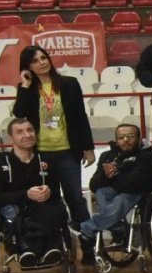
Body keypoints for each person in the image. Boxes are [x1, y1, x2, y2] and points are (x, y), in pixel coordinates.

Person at [12, 44, 94, 230]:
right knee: (49, 200)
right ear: (27, 67)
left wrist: (88, 148)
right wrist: (25, 86)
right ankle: (57, 245)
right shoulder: (27, 88)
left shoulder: (69, 84)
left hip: (68, 152)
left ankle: (88, 246)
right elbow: (20, 113)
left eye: (43, 58)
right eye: (35, 61)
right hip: (41, 153)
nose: (41, 63)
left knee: (75, 199)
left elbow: (81, 117)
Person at [0, 116, 72, 266]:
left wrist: (48, 191)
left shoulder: (47, 160)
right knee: (18, 215)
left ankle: (35, 250)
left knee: (55, 209)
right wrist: (26, 194)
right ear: (11, 138)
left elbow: (55, 191)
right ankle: (44, 248)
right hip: (16, 210)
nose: (27, 135)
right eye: (20, 132)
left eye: (30, 130)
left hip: (44, 207)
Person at [76, 122, 152, 257]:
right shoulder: (107, 156)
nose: (125, 140)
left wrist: (116, 175)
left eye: (130, 136)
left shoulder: (146, 156)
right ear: (116, 140)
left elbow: (134, 184)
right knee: (101, 193)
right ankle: (120, 228)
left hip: (139, 192)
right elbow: (94, 185)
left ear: (138, 139)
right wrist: (106, 175)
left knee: (121, 198)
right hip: (117, 189)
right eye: (121, 137)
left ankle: (88, 227)